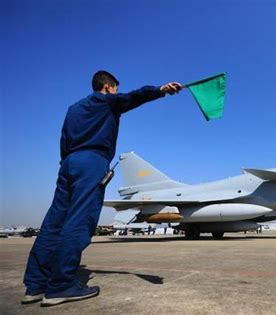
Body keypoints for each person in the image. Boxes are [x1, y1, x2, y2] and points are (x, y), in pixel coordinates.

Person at [22, 70, 183, 306]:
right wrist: (161, 90)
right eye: (116, 88)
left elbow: (63, 141)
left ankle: (35, 286)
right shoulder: (106, 100)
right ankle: (61, 286)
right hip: (92, 161)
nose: (117, 92)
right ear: (108, 87)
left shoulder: (73, 109)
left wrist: (68, 164)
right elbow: (134, 97)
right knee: (79, 221)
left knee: (52, 224)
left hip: (68, 164)